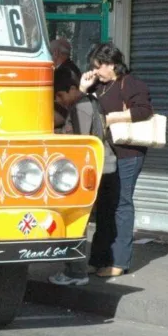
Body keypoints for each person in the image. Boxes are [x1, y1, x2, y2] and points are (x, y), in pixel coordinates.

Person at [79, 43, 153, 277]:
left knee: (121, 204)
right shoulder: (100, 85)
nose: (96, 71)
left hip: (127, 153)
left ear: (112, 64)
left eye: (99, 66)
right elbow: (83, 110)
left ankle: (119, 262)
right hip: (106, 153)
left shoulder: (130, 83)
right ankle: (98, 259)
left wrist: (110, 119)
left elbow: (144, 111)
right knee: (104, 206)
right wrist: (84, 88)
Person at [49, 63, 116, 286]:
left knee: (76, 222)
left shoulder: (80, 107)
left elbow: (78, 143)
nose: (59, 101)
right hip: (101, 168)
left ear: (70, 89)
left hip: (88, 171)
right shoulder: (90, 101)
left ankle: (75, 273)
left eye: (60, 96)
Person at [51, 38, 81, 132]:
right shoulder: (74, 68)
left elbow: (65, 100)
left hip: (64, 121)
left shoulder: (62, 72)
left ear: (55, 53)